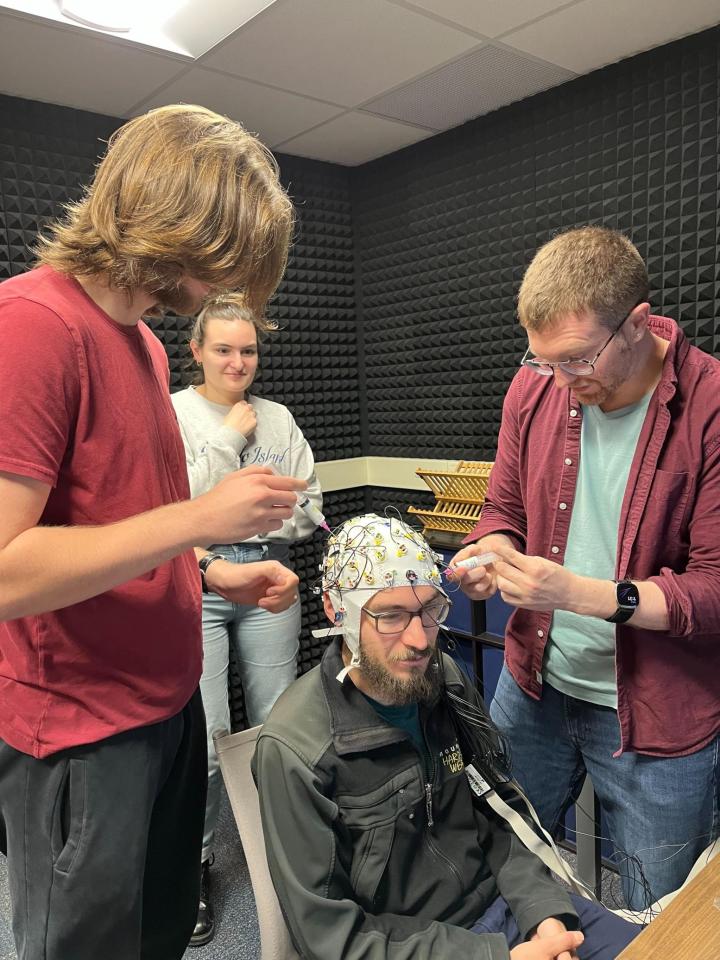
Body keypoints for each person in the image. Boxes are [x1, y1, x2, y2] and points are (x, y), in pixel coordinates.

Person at [0, 104, 308, 960]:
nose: (221, 288)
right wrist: (202, 518)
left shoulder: (141, 342)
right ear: (172, 226)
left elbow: (119, 519)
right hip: (83, 735)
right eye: (222, 262)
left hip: (165, 713)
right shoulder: (31, 325)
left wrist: (207, 569)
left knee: (160, 936)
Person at [453, 226, 720, 910]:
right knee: (505, 868)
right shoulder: (535, 386)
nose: (562, 382)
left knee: (657, 915)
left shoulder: (711, 406)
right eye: (544, 361)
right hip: (535, 688)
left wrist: (583, 593)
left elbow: (713, 592)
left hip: (660, 715)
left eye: (576, 360)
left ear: (637, 323)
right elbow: (502, 506)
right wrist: (495, 550)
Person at [252, 513, 640, 960]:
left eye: (429, 611)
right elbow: (330, 939)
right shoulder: (295, 752)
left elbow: (499, 810)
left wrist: (546, 915)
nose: (420, 640)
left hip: (508, 910)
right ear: (339, 612)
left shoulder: (445, 680)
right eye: (392, 616)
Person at [171, 292, 323, 945]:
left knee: (274, 728)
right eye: (224, 349)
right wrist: (230, 444)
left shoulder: (280, 418)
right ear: (197, 350)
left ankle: (281, 863)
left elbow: (307, 508)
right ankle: (196, 865)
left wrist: (230, 504)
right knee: (204, 738)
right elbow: (177, 510)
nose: (238, 362)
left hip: (268, 578)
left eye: (249, 349)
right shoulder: (174, 414)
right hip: (195, 578)